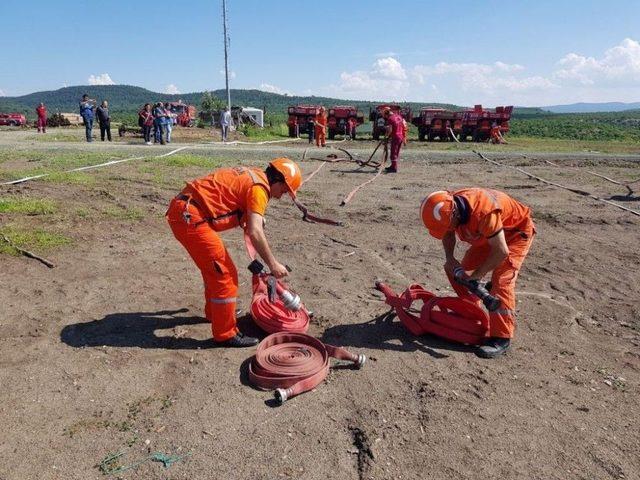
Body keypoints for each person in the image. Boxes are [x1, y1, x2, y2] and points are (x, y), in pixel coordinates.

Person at [166, 158, 303, 347]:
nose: (281, 196)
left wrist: (251, 218)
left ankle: (216, 314)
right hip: (191, 217)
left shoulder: (255, 176)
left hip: (186, 211)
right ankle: (225, 334)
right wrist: (273, 264)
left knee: (213, 270)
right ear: (278, 181)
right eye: (284, 191)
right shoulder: (259, 189)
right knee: (225, 275)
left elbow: (237, 203)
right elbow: (255, 231)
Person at [420, 188, 535, 358]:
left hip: (514, 234)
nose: (447, 229)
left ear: (454, 215)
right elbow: (448, 232)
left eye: (447, 225)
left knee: (501, 282)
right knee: (459, 271)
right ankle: (472, 310)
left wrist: (478, 276)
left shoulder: (483, 212)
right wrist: (450, 258)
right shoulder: (450, 206)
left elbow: (501, 251)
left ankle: (501, 338)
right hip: (489, 235)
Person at [383, 107, 404, 173]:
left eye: (385, 116)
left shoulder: (390, 119)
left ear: (387, 114)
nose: (385, 117)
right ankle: (393, 166)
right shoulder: (399, 116)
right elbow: (402, 126)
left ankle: (394, 168)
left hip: (395, 137)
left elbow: (390, 130)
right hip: (401, 136)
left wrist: (386, 137)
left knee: (393, 153)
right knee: (396, 152)